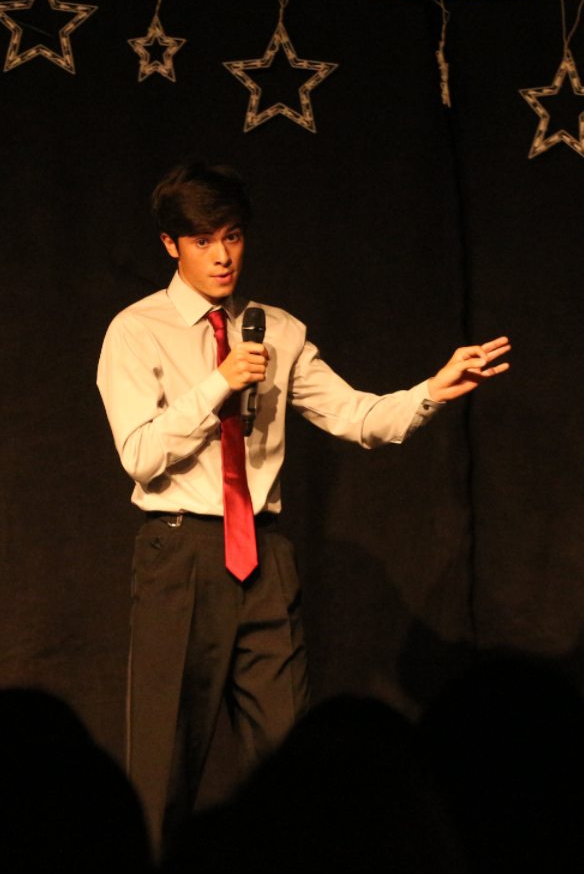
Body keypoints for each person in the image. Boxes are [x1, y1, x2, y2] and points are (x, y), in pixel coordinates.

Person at [97, 160, 510, 856]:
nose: (223, 255)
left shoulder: (277, 330)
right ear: (172, 244)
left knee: (294, 767)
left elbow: (357, 416)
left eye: (232, 235)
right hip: (180, 556)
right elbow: (138, 455)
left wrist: (434, 389)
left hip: (263, 555)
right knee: (162, 770)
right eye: (203, 241)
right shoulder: (136, 332)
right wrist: (215, 387)